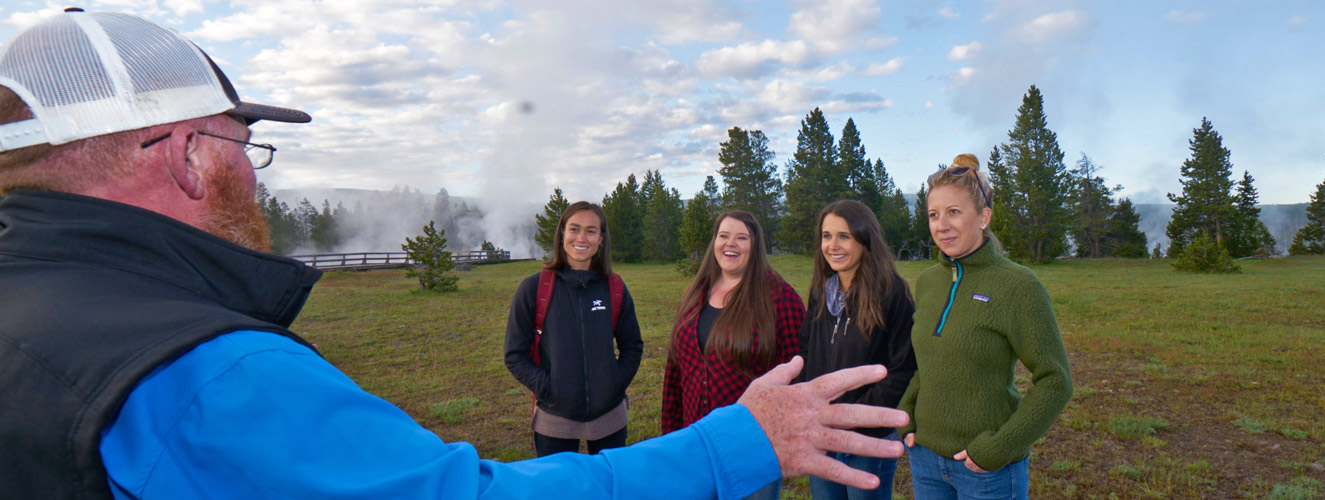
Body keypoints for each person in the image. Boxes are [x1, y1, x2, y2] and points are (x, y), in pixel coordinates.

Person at [0, 10, 906, 499]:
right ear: (191, 156)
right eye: (243, 146)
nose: (257, 177)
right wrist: (730, 448)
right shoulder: (204, 374)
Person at [898, 154, 1074, 500]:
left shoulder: (1018, 285)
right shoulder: (928, 282)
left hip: (986, 471)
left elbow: (1056, 380)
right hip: (925, 461)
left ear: (983, 217)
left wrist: (1001, 447)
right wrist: (907, 411)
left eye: (954, 212)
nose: (941, 225)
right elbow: (929, 359)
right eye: (934, 214)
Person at [662, 210, 805, 500]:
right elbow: (675, 370)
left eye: (742, 237)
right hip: (695, 443)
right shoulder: (696, 293)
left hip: (751, 448)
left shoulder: (778, 297)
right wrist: (672, 437)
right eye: (724, 236)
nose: (731, 244)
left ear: (755, 246)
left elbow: (797, 373)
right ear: (714, 242)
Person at [797, 200, 917, 500]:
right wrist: (810, 406)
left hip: (867, 438)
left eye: (844, 236)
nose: (832, 245)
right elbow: (807, 353)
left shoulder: (892, 293)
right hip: (823, 434)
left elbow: (902, 368)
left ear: (865, 240)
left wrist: (855, 417)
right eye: (826, 236)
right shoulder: (821, 291)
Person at [504, 201, 643, 456]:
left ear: (601, 239)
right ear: (562, 234)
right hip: (554, 420)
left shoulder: (614, 287)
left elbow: (632, 345)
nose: (582, 237)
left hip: (609, 417)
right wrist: (549, 389)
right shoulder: (534, 288)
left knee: (608, 489)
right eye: (574, 229)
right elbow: (514, 355)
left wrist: (615, 383)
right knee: (557, 487)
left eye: (591, 231)